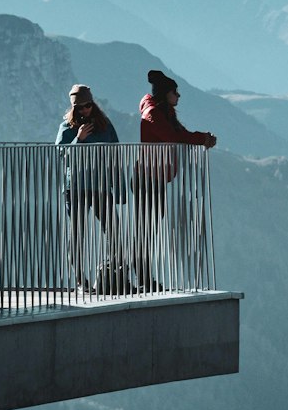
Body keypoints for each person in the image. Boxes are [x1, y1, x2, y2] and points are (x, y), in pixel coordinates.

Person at [135, 70, 216, 292]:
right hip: (147, 178)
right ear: (165, 93)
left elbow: (179, 133)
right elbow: (173, 137)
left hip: (155, 177)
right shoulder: (153, 113)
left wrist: (201, 138)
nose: (178, 96)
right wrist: (202, 139)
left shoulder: (164, 112)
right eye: (175, 92)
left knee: (149, 227)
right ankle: (141, 274)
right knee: (146, 228)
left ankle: (143, 274)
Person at [56, 85, 128, 295]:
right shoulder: (67, 128)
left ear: (93, 104)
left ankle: (113, 274)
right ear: (74, 108)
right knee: (77, 234)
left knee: (113, 230)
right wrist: (79, 139)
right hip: (76, 188)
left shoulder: (105, 126)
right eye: (79, 108)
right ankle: (81, 280)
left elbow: (115, 155)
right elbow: (61, 154)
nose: (84, 110)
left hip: (100, 187)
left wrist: (120, 187)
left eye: (87, 106)